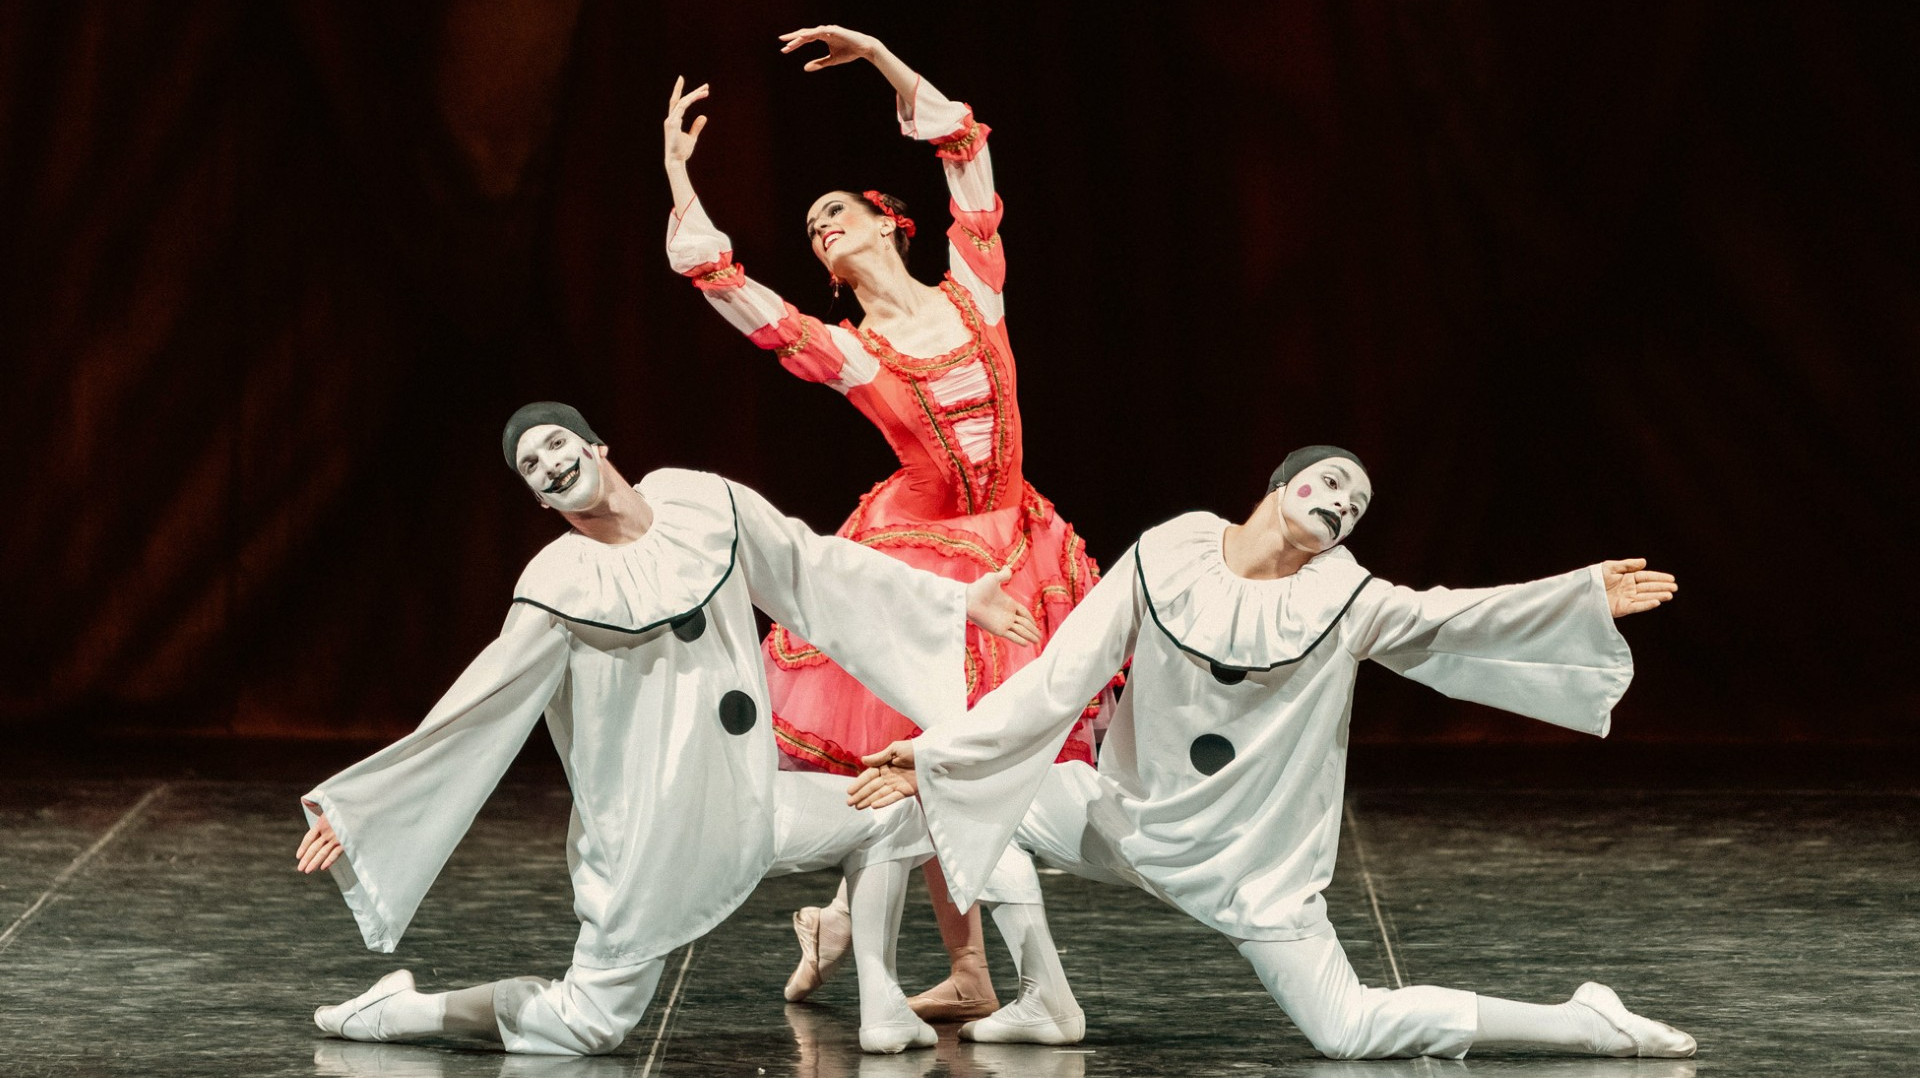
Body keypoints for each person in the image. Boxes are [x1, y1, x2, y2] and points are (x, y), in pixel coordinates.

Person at [851, 446, 1698, 1059]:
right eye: (1332, 482)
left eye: (1357, 505)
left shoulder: (1347, 598)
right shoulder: (1169, 553)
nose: (1342, 504)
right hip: (1125, 819)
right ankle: (1044, 998)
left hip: (1250, 868)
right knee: (961, 799)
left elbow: (1454, 616)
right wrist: (936, 756)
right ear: (1280, 483)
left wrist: (1577, 597)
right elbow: (1058, 682)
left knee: (1349, 1033)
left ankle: (1590, 1021)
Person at [294, 401, 1042, 1056]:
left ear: (597, 446)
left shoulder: (700, 504)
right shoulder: (559, 584)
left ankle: (882, 1006)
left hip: (747, 802)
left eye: (555, 444)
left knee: (892, 816)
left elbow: (813, 568)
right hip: (650, 842)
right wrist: (364, 809)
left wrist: (951, 601)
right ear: (536, 498)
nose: (549, 465)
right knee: (583, 1030)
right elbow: (477, 708)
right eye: (530, 466)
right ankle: (396, 1012)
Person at [662, 25, 1109, 1022]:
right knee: (940, 754)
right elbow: (730, 289)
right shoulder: (854, 353)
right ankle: (981, 973)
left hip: (1015, 540)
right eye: (812, 230)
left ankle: (870, 932)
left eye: (836, 214)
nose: (821, 230)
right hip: (920, 561)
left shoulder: (976, 291)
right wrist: (681, 182)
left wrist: (882, 60)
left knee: (967, 760)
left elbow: (964, 153)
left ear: (884, 222)